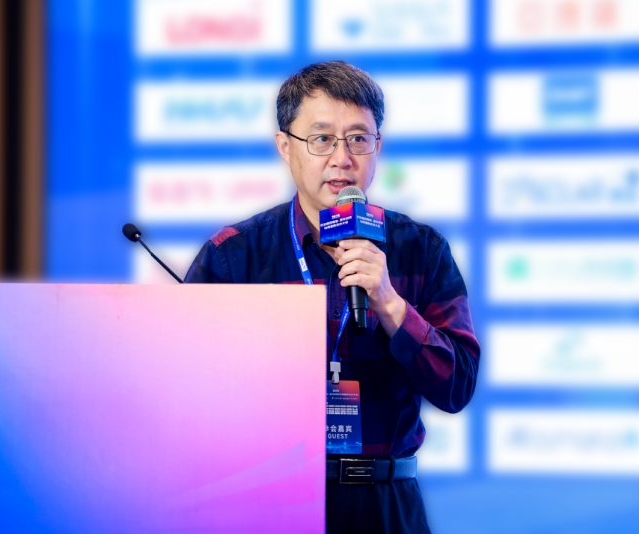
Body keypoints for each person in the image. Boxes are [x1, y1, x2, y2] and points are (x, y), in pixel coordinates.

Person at [185, 60, 480, 533]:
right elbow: (185, 396)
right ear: (285, 146)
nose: (342, 158)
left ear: (377, 147)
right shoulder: (234, 257)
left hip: (387, 504)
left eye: (358, 139)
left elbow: (457, 387)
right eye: (322, 139)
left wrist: (391, 305)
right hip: (268, 501)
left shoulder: (421, 249)